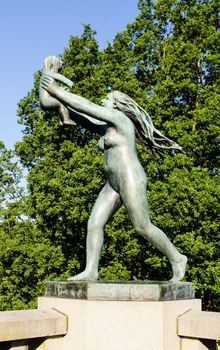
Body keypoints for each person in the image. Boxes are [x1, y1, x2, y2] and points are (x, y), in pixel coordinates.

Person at [40, 74, 187, 282]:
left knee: (142, 227)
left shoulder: (121, 120)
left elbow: (86, 106)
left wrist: (58, 90)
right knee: (94, 223)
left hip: (130, 178)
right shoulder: (104, 127)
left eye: (107, 99)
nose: (103, 101)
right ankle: (91, 270)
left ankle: (177, 258)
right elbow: (53, 105)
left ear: (117, 105)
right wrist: (46, 82)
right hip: (113, 183)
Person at [39, 56, 76, 126]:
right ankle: (66, 120)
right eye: (59, 63)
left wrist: (61, 89)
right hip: (46, 100)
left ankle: (61, 121)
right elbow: (59, 77)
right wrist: (69, 83)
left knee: (57, 107)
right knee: (61, 103)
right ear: (53, 64)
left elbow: (53, 88)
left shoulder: (45, 76)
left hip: (44, 101)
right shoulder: (48, 73)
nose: (61, 63)